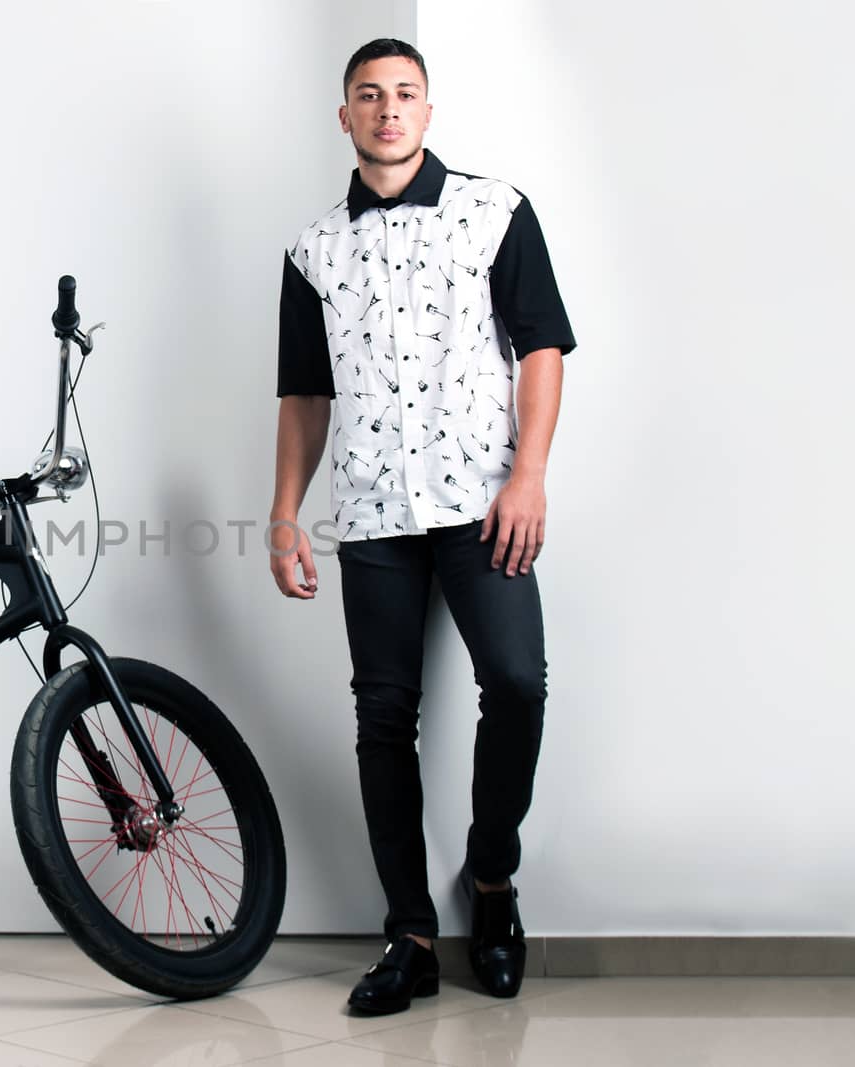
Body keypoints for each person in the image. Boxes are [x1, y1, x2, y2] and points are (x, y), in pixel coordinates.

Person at [268, 37, 576, 1016]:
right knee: (381, 717)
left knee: (516, 683)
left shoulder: (495, 213)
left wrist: (528, 473)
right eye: (369, 94)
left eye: (404, 94)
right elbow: (303, 391)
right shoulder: (313, 250)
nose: (387, 109)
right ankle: (407, 930)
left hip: (484, 500)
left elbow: (542, 346)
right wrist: (283, 511)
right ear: (345, 116)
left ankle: (491, 882)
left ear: (428, 112)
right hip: (371, 512)